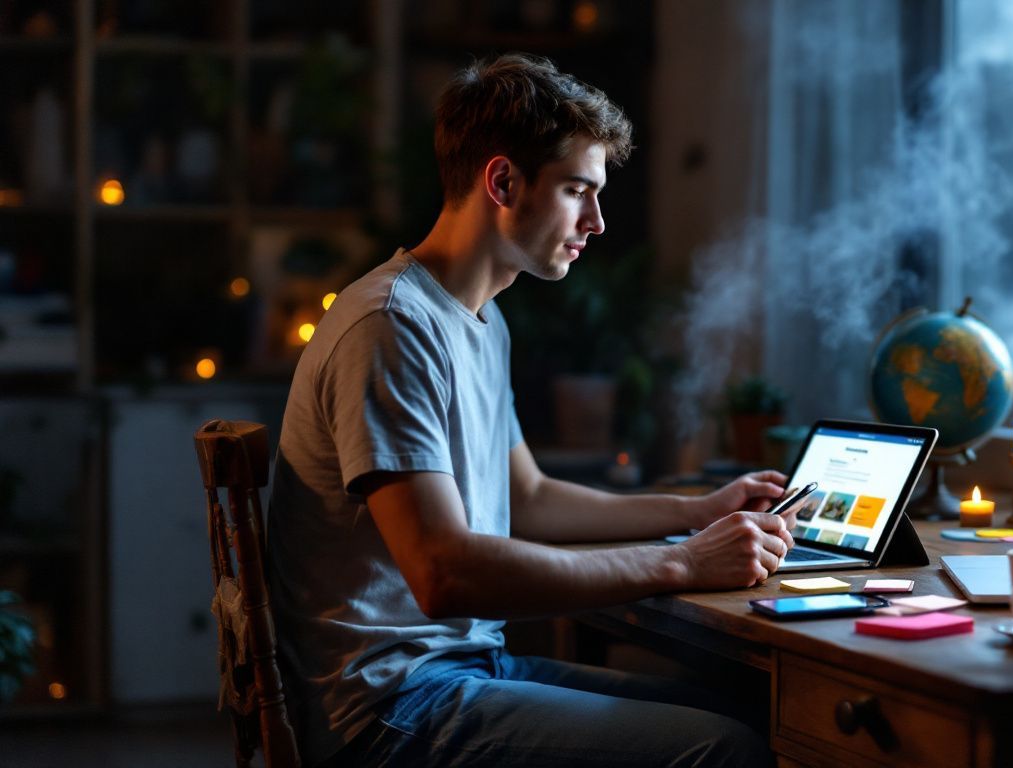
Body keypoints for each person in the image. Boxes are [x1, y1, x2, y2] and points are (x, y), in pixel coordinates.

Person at [266, 54, 797, 767]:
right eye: (579, 190)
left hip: (460, 671)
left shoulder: (480, 318)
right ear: (503, 181)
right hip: (386, 711)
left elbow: (530, 498)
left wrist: (698, 511)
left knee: (747, 715)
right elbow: (442, 574)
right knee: (720, 750)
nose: (598, 221)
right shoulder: (390, 325)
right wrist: (682, 566)